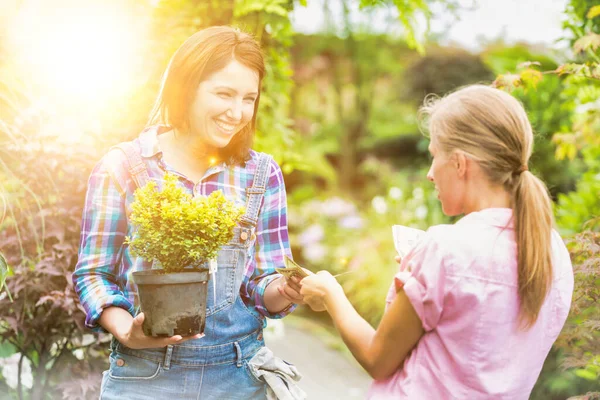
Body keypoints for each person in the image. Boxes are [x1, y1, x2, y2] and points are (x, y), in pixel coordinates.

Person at [73, 26, 306, 399]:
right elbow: (94, 274)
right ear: (186, 88)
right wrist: (128, 330)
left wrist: (287, 288)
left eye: (249, 98)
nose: (237, 112)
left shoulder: (261, 175)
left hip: (237, 377)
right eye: (224, 94)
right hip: (144, 377)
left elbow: (262, 285)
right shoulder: (123, 167)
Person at [300, 85, 574, 399]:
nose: (431, 174)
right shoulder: (553, 252)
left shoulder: (446, 249)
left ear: (459, 163)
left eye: (434, 156)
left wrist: (330, 294)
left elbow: (378, 359)